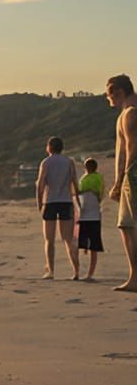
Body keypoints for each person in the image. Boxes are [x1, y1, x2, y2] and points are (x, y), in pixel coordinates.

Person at [106, 74, 137, 292]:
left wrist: (121, 181)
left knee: (127, 225)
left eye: (109, 94)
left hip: (133, 173)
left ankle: (135, 278)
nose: (107, 98)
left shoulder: (130, 113)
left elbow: (131, 148)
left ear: (119, 92)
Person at [36, 136, 80, 280]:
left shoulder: (46, 162)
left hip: (50, 202)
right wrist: (77, 201)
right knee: (68, 239)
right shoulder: (69, 162)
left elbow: (40, 184)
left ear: (49, 147)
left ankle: (51, 272)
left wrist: (39, 202)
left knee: (49, 240)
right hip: (66, 201)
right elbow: (74, 182)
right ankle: (76, 271)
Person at [77, 158, 104, 281]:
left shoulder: (97, 177)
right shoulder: (83, 178)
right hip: (84, 215)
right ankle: (79, 272)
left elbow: (99, 193)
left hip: (93, 216)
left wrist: (90, 191)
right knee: (84, 244)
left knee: (94, 246)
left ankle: (90, 274)